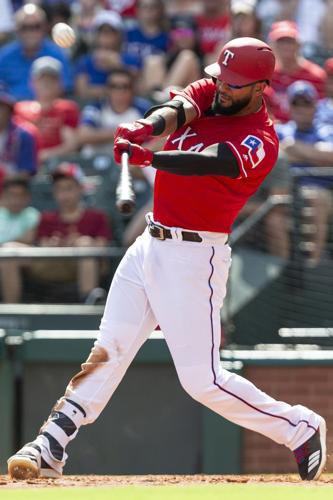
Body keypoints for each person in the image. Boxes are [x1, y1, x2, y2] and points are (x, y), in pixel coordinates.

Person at [7, 37, 326, 482]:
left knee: (203, 381)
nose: (224, 89)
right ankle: (51, 443)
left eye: (236, 85)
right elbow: (177, 110)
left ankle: (299, 426)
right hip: (150, 244)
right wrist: (144, 126)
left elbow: (211, 162)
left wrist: (150, 155)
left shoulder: (262, 139)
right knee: (109, 348)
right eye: (223, 79)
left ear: (260, 87)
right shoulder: (213, 91)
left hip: (195, 258)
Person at [1, 162, 112, 304]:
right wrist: (51, 245)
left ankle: (88, 304)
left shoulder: (96, 217)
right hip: (50, 263)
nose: (64, 195)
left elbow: (102, 248)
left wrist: (78, 243)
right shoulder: (46, 218)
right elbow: (40, 244)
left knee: (85, 245)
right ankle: (12, 313)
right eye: (59, 189)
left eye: (68, 188)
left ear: (80, 189)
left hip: (79, 264)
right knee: (9, 249)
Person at [276, 80, 333, 265]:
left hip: (321, 191)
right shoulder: (280, 131)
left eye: (306, 103)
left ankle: (312, 264)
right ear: (289, 107)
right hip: (286, 190)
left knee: (317, 197)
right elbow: (276, 155)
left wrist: (294, 149)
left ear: (315, 106)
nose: (301, 108)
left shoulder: (326, 130)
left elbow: (331, 155)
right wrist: (314, 155)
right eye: (296, 103)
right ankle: (283, 267)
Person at [14, 56, 80, 165]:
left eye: (52, 79)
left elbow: (71, 145)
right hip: (22, 164)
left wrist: (44, 155)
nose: (46, 83)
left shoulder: (67, 108)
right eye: (42, 78)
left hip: (56, 164)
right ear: (32, 82)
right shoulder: (19, 109)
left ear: (60, 83)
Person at [0, 3, 73, 100]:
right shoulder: (5, 56)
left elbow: (65, 88)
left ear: (45, 27)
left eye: (36, 26)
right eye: (25, 27)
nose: (30, 32)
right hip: (13, 110)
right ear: (17, 30)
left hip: (46, 110)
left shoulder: (57, 54)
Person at [77, 68, 150, 156]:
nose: (119, 91)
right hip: (96, 160)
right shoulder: (96, 107)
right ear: (107, 89)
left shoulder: (143, 108)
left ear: (132, 89)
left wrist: (100, 135)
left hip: (130, 161)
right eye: (114, 86)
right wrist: (124, 133)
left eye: (125, 86)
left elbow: (153, 137)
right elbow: (83, 135)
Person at [265, 20, 326, 123]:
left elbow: (321, 112)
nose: (285, 46)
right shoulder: (267, 75)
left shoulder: (316, 75)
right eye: (281, 41)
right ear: (272, 45)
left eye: (289, 41)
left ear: (298, 44)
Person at [75, 10, 140, 100]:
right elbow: (81, 92)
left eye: (110, 32)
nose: (106, 36)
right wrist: (112, 91)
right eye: (101, 32)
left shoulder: (130, 59)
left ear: (119, 35)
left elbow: (139, 88)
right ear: (96, 35)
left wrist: (119, 66)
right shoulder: (86, 61)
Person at [0, 82, 37, 178]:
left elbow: (26, 173)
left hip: (12, 188)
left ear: (9, 109)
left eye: (1, 106)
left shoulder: (23, 135)